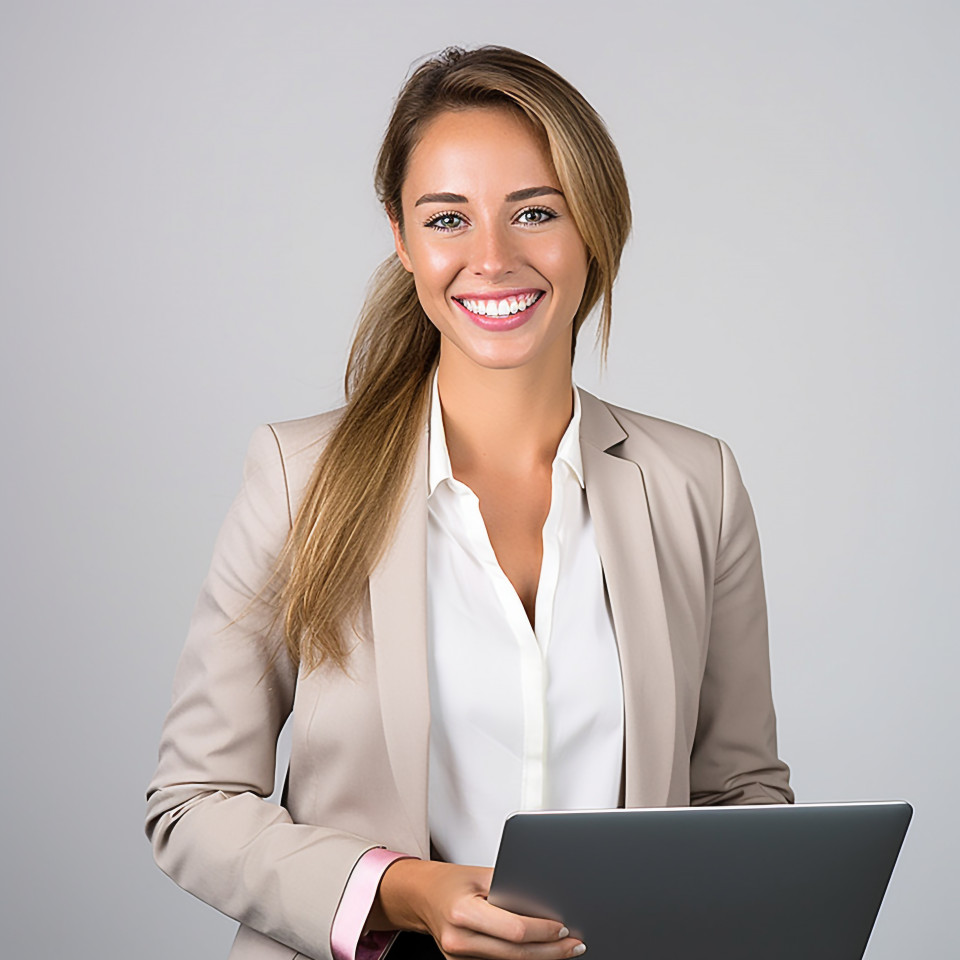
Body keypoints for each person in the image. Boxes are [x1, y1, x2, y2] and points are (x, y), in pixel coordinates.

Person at [145, 44, 793, 960]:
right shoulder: (299, 478)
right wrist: (400, 890)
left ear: (594, 229)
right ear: (403, 240)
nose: (493, 258)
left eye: (535, 212)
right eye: (448, 218)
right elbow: (192, 803)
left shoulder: (697, 485)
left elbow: (740, 798)